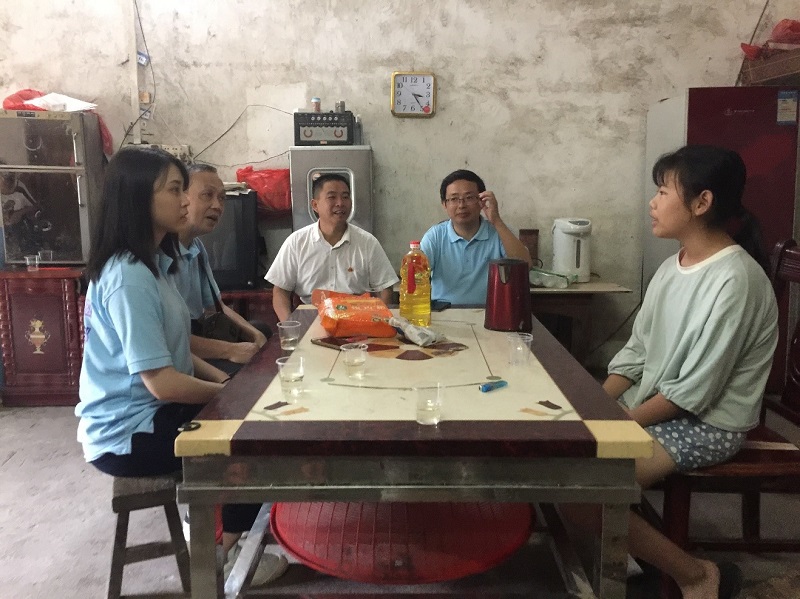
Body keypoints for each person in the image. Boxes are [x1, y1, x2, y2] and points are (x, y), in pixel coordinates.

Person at [75, 146, 287, 585]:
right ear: (140, 198)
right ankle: (221, 555)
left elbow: (174, 348)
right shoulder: (129, 276)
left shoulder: (154, 265)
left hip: (151, 411)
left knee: (255, 414)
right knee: (254, 438)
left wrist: (234, 385)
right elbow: (163, 383)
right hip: (128, 432)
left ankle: (229, 540)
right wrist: (233, 393)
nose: (186, 201)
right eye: (176, 190)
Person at [604, 145, 778, 599]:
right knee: (559, 459)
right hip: (657, 406)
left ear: (702, 203)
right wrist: (597, 404)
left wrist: (618, 422)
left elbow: (693, 394)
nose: (652, 202)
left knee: (583, 484)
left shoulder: (735, 279)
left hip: (707, 423)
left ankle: (698, 576)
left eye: (663, 191)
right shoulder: (672, 267)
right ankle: (623, 551)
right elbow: (636, 353)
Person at [175, 163, 270, 376]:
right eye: (207, 195)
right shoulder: (161, 256)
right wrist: (231, 350)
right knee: (244, 372)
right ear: (181, 197)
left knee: (261, 330)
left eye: (222, 198)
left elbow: (218, 307)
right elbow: (171, 340)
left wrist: (256, 336)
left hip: (196, 334)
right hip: (180, 352)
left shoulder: (196, 248)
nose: (217, 206)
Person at [266, 173, 398, 322]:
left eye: (345, 197)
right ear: (315, 205)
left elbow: (385, 289)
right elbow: (280, 291)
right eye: (332, 197)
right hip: (311, 318)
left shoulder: (367, 242)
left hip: (356, 319)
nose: (340, 203)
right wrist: (290, 326)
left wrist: (378, 322)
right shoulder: (296, 242)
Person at [420, 169, 532, 305]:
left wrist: (496, 220)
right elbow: (415, 274)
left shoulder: (499, 231)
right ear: (445, 204)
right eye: (454, 199)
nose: (461, 205)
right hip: (445, 312)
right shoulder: (435, 236)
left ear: (481, 201)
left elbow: (526, 266)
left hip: (491, 312)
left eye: (469, 198)